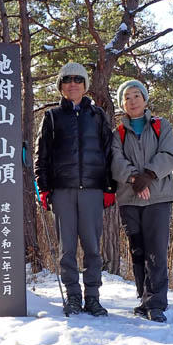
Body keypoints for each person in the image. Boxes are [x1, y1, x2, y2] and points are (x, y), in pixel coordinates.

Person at [34, 62, 117, 317]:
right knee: (66, 249)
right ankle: (72, 296)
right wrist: (44, 188)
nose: (73, 84)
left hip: (92, 190)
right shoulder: (52, 117)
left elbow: (109, 152)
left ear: (84, 86)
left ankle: (92, 297)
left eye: (78, 80)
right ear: (61, 86)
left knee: (92, 248)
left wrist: (110, 187)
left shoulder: (98, 116)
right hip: (63, 191)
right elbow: (42, 156)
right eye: (67, 79)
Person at [111, 80, 173, 323]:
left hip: (158, 197)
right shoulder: (118, 133)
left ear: (145, 99)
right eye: (127, 97)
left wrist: (148, 176)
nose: (132, 101)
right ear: (122, 103)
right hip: (130, 198)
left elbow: (171, 155)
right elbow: (115, 161)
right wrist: (133, 179)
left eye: (136, 95)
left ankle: (156, 303)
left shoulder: (161, 126)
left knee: (156, 251)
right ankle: (144, 298)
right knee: (138, 250)